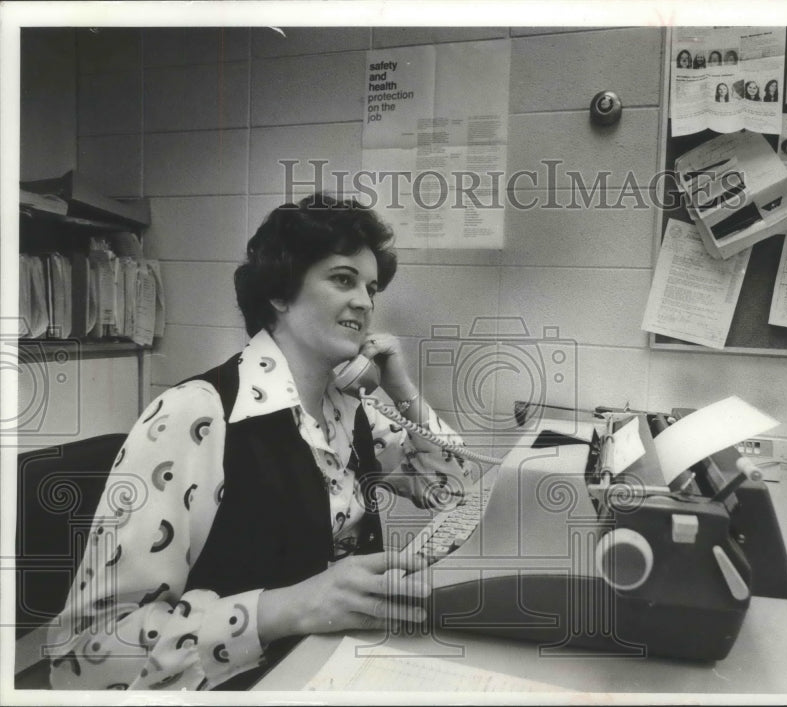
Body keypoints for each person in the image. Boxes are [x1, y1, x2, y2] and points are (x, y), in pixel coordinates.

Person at [48, 194, 473, 690]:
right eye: (342, 279)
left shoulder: (350, 409)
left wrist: (401, 388)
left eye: (371, 288)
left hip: (333, 668)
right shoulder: (196, 415)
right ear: (280, 292)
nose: (365, 301)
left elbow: (455, 490)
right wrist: (285, 608)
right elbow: (84, 658)